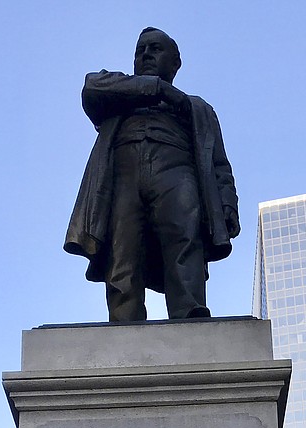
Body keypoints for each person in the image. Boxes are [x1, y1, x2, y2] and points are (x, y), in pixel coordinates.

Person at [64, 27, 240, 321]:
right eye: (140, 50)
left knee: (184, 234)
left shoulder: (197, 108)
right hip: (123, 174)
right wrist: (155, 88)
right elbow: (92, 86)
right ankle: (124, 315)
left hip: (176, 170)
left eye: (155, 49)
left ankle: (189, 310)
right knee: (122, 246)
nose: (145, 54)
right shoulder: (120, 93)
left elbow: (218, 162)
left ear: (175, 63)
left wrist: (227, 203)